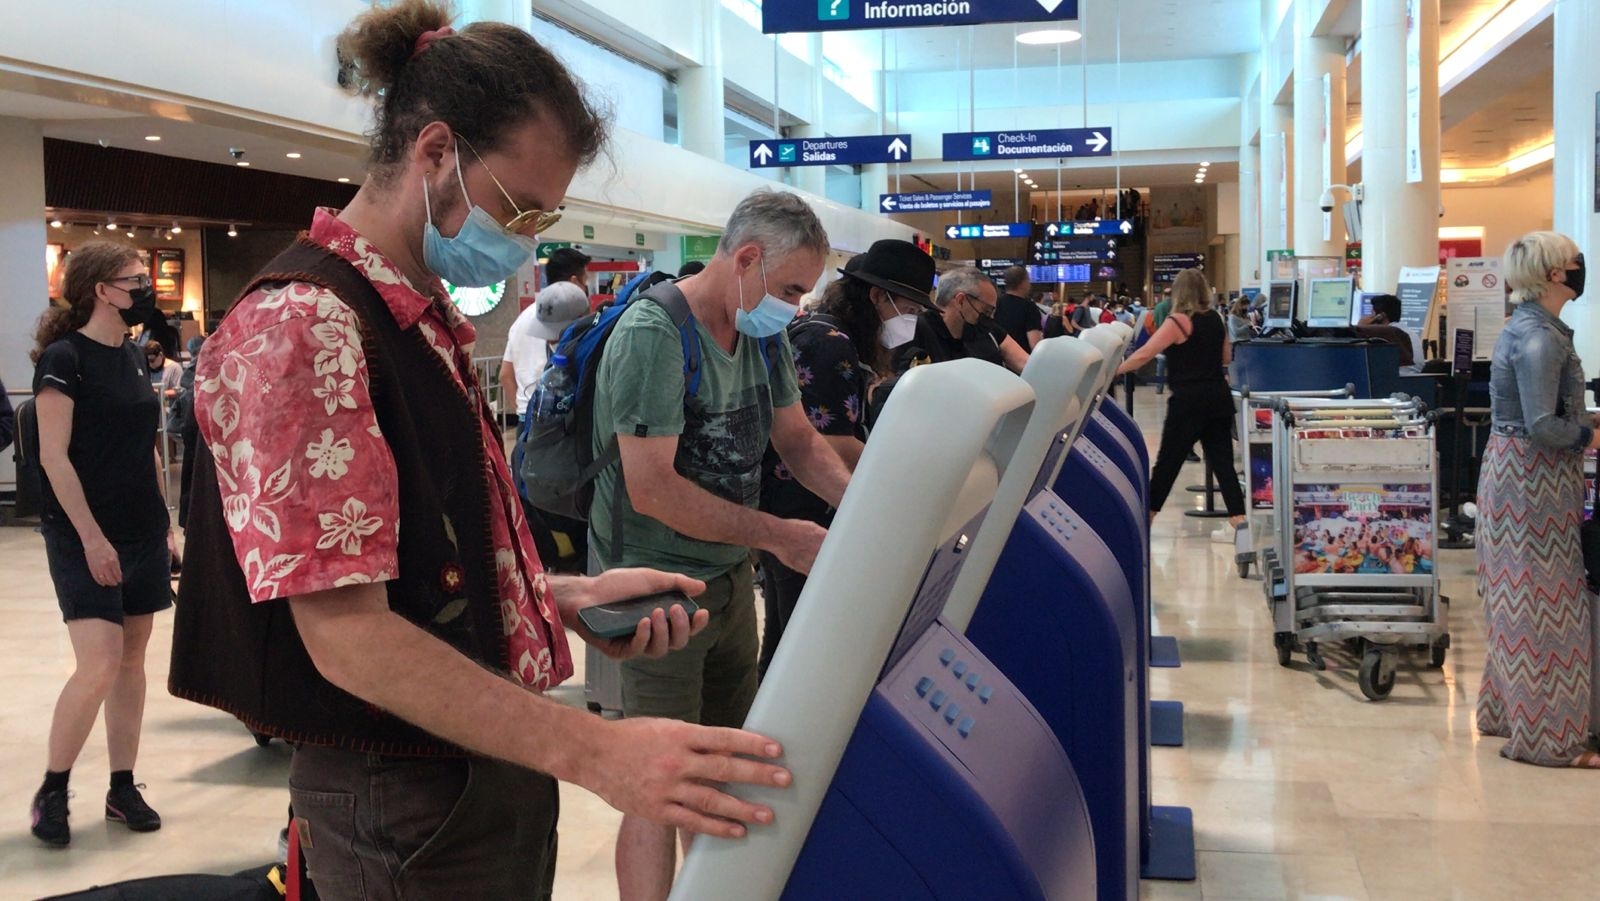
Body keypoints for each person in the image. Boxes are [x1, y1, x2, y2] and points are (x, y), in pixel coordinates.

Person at [169, 6, 793, 897]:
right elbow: (350, 637)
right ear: (434, 154)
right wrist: (598, 749)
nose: (531, 237)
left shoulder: (408, 317)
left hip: (471, 767)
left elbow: (413, 562)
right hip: (403, 794)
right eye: (519, 206)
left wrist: (555, 595)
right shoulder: (306, 324)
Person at [590, 189, 852, 900]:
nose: (798, 306)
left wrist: (860, 516)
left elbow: (798, 440)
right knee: (660, 777)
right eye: (793, 287)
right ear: (745, 259)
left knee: (720, 764)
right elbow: (654, 489)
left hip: (729, 582)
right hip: (653, 593)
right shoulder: (654, 333)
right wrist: (776, 536)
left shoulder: (757, 328)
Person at [28, 241, 177, 846]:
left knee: (132, 662)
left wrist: (167, 525)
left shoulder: (136, 356)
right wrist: (91, 538)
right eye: (135, 279)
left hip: (141, 526)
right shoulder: (64, 359)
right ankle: (53, 789)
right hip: (82, 532)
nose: (146, 287)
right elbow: (52, 457)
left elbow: (146, 447)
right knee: (98, 663)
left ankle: (122, 786)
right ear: (101, 290)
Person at [757, 239, 934, 679]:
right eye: (910, 306)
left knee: (785, 636)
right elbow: (831, 441)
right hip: (807, 507)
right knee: (803, 641)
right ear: (878, 296)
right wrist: (899, 478)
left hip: (790, 504)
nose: (912, 318)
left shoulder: (825, 331)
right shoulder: (829, 342)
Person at [1476, 231, 1600, 768]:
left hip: (1517, 475)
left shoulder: (1529, 329)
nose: (1580, 268)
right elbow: (1543, 426)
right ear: (1554, 274)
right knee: (1548, 606)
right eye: (1573, 262)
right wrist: (1590, 436)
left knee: (1518, 596)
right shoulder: (1541, 338)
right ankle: (1550, 738)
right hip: (1534, 480)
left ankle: (1506, 710)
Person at [1117, 267, 1245, 529]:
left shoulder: (1177, 322)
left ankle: (1145, 521)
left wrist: (1112, 371)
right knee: (1223, 464)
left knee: (1168, 463)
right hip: (1218, 398)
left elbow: (1145, 354)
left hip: (1188, 401)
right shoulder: (1216, 319)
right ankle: (1240, 522)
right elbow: (1226, 358)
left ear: (1179, 292)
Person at [500, 247, 590, 409]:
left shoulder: (522, 319)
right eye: (585, 282)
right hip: (558, 413)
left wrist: (524, 412)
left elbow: (505, 374)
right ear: (575, 282)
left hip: (528, 414)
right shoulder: (573, 320)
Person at [896, 266, 1029, 374]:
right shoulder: (915, 331)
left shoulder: (989, 332)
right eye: (986, 311)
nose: (990, 317)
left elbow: (1026, 364)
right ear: (960, 301)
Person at [1354, 293, 1416, 367]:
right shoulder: (1405, 329)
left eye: (1371, 313)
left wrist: (1362, 327)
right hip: (1415, 375)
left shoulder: (1385, 332)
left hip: (1398, 374)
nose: (1369, 317)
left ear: (1380, 316)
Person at [992, 265, 1042, 351]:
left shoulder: (994, 303)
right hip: (1021, 359)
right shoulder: (1029, 307)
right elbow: (1035, 344)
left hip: (998, 357)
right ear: (1023, 283)